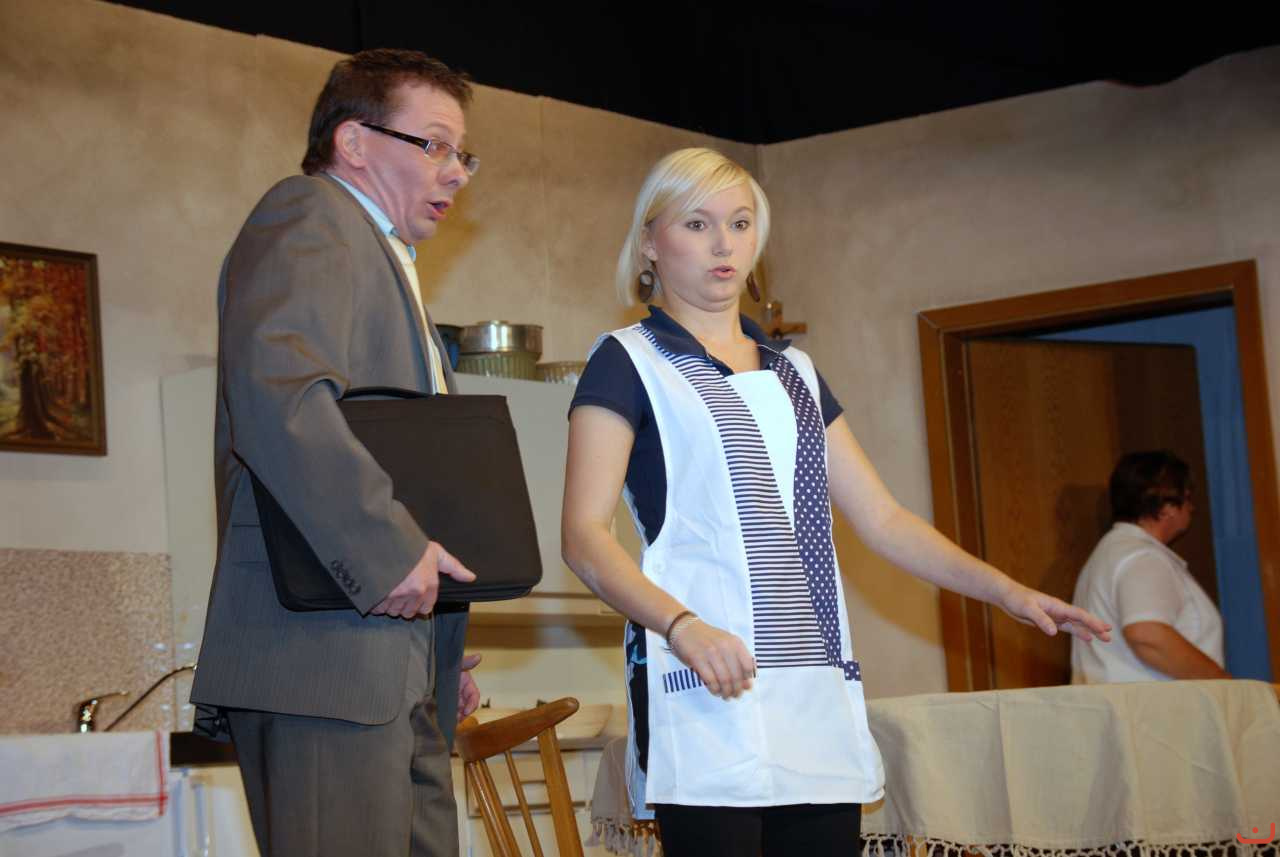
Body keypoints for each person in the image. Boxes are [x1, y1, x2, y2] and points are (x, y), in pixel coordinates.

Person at [560, 148, 1112, 857]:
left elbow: (883, 519)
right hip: (699, 686)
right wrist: (683, 625)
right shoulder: (627, 360)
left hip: (811, 694)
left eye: (740, 223)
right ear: (649, 242)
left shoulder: (795, 370)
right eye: (697, 224)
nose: (724, 244)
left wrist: (1006, 591)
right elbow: (584, 535)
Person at [189, 49, 485, 857]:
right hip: (320, 660)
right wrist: (389, 552)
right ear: (354, 142)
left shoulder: (389, 263)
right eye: (435, 144)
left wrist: (434, 643)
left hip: (391, 662)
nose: (456, 172)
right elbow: (280, 398)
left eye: (463, 154)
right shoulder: (309, 214)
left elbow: (406, 460)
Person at [1071, 450, 1229, 683]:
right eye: (1187, 498)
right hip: (1152, 706)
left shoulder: (1113, 552)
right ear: (1166, 507)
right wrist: (1226, 685)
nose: (1192, 508)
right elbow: (1147, 635)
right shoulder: (1142, 557)